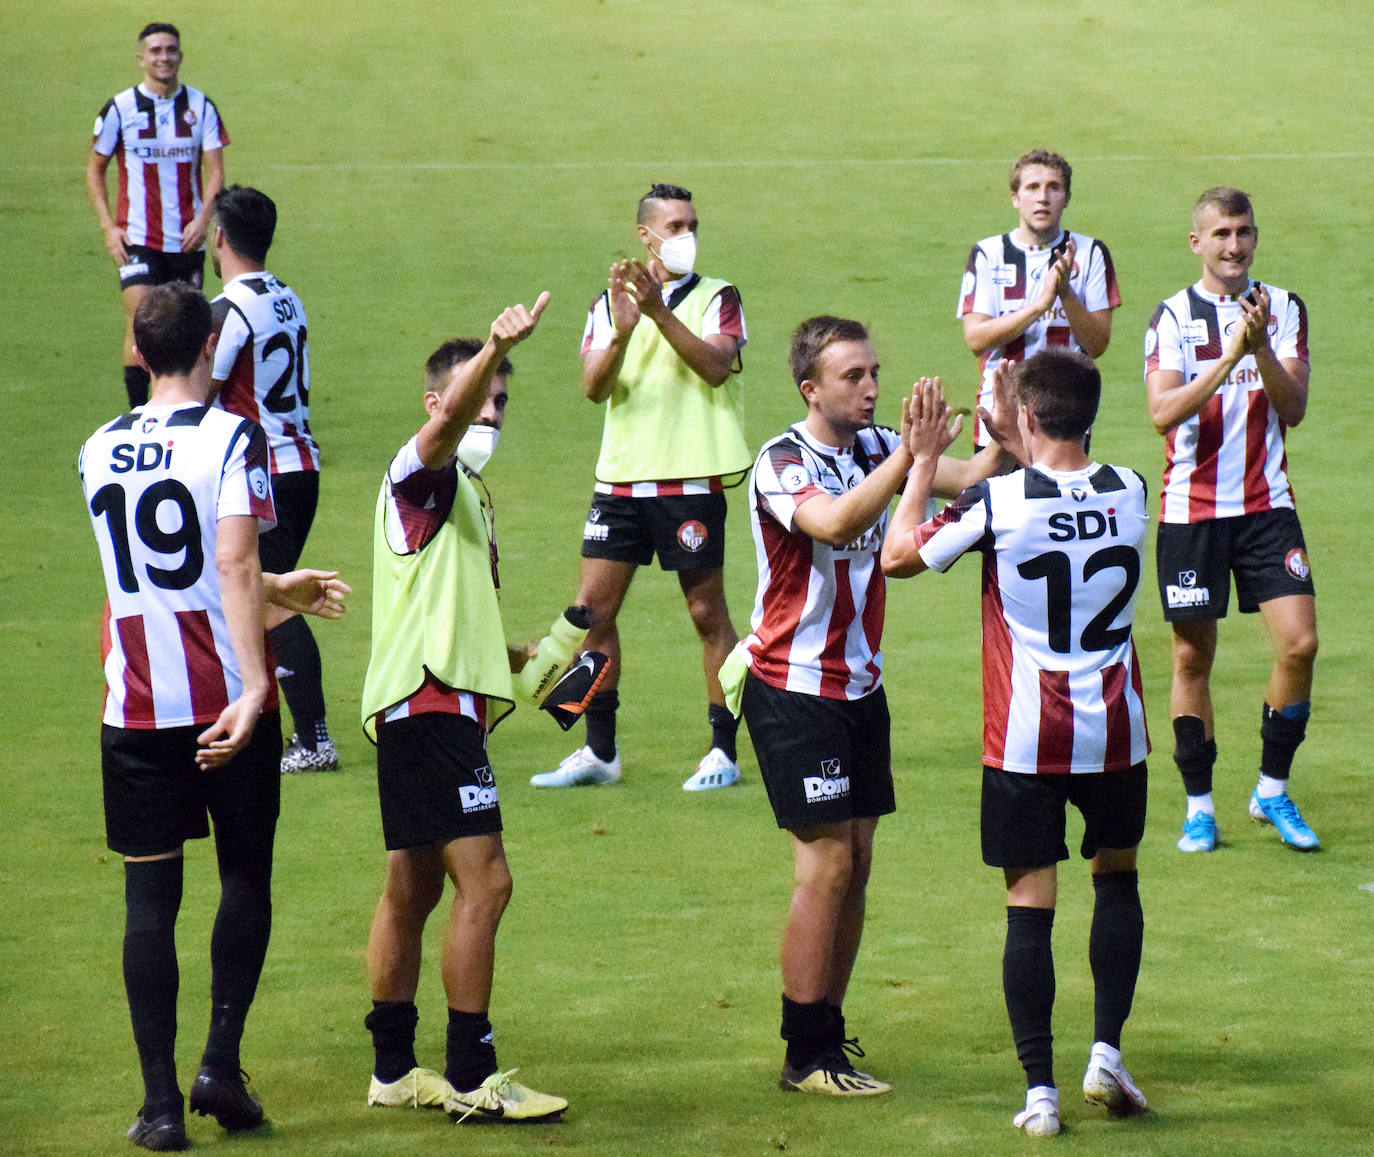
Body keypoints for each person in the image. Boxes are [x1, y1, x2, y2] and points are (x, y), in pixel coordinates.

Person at [79, 282, 348, 1150]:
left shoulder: (98, 447)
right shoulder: (235, 436)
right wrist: (258, 683)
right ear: (207, 348)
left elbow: (156, 576)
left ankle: (159, 1106)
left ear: (141, 350)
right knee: (244, 876)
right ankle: (220, 1063)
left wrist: (276, 587)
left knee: (148, 900)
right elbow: (230, 559)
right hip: (221, 703)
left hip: (134, 703)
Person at [883, 348, 1150, 1136]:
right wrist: (1020, 433)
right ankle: (1106, 1051)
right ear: (1090, 414)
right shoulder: (1133, 490)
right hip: (1116, 732)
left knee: (1028, 911)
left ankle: (1040, 1093)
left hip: (1028, 738)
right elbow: (1066, 485)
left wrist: (927, 461)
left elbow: (899, 554)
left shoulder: (999, 502)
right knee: (1118, 885)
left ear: (1027, 417)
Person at [738, 317, 1007, 1096]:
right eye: (852, 375)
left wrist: (1007, 420)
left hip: (861, 686)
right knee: (824, 866)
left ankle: (829, 1032)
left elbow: (971, 472)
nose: (870, 386)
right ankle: (804, 1051)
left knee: (856, 868)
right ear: (809, 387)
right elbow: (836, 521)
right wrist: (908, 458)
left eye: (875, 372)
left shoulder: (876, 444)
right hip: (794, 689)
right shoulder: (783, 462)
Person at [360, 296, 567, 1124]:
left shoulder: (469, 494)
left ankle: (392, 1068)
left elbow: (442, 604)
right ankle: (473, 1072)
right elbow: (444, 429)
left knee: (411, 888)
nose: (491, 411)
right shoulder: (420, 472)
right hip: (430, 704)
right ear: (435, 402)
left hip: (431, 702)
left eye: (503, 400)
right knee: (488, 882)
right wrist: (493, 347)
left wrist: (522, 657)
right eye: (480, 396)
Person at [532, 183, 749, 791]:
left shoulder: (718, 297)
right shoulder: (609, 304)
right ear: (645, 235)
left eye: (693, 224)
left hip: (691, 479)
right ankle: (600, 753)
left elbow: (714, 364)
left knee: (707, 613)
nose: (687, 236)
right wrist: (626, 329)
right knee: (591, 613)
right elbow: (593, 388)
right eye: (675, 226)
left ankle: (723, 753)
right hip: (622, 481)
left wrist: (657, 312)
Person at [1145, 187, 1318, 854]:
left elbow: (1294, 405)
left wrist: (1261, 348)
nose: (1233, 244)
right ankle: (1199, 806)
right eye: (1220, 233)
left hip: (1267, 506)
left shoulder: (1284, 309)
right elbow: (1163, 414)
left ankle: (1271, 789)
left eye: (1243, 231)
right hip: (1193, 510)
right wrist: (1230, 355)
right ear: (1197, 242)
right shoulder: (1171, 319)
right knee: (1192, 656)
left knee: (1299, 644)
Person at [209, 185, 337, 774]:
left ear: (219, 238)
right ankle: (281, 722)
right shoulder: (287, 297)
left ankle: (313, 739)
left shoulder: (227, 310)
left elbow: (201, 391)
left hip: (266, 473)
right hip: (301, 466)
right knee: (265, 590)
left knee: (271, 598)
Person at [87, 23, 228, 410]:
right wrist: (108, 226)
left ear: (180, 56)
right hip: (138, 240)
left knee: (188, 327)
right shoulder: (120, 109)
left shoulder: (201, 107)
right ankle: (138, 412)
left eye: (170, 50)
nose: (163, 57)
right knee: (141, 322)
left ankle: (187, 408)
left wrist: (202, 221)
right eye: (155, 51)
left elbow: (216, 172)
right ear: (141, 59)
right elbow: (94, 169)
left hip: (186, 239)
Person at [958, 149, 1119, 447]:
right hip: (1001, 418)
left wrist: (1065, 292)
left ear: (1066, 198)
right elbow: (976, 339)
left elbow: (1097, 345)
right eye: (1032, 187)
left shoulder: (1091, 253)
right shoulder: (988, 254)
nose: (1042, 197)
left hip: (1067, 421)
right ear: (1015, 197)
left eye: (1053, 187)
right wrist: (1039, 307)